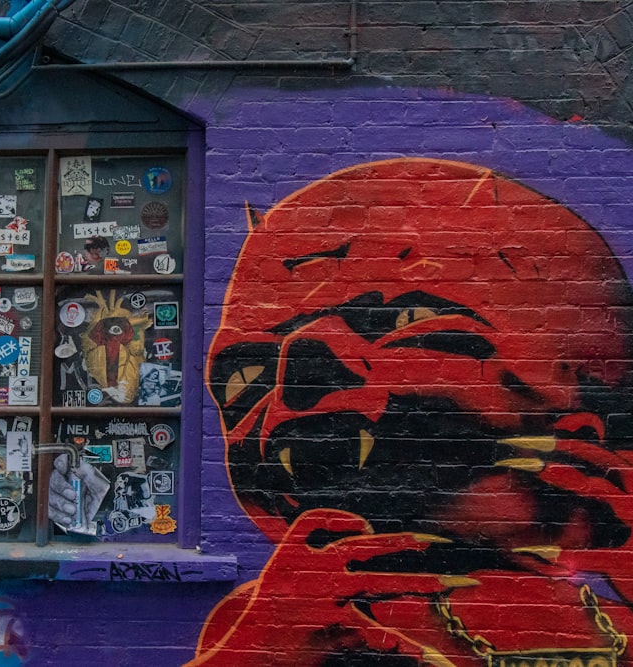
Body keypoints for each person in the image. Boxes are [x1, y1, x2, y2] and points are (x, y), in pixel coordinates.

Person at [195, 158, 633, 665]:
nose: (303, 362)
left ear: (580, 435)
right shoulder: (284, 623)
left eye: (408, 318)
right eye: (246, 375)